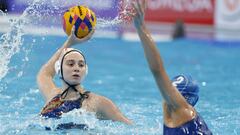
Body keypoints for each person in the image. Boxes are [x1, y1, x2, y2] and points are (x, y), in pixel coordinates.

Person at [129, 0, 212, 134]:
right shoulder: (175, 113)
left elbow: (158, 71)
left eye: (171, 92)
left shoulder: (182, 111)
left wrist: (141, 27)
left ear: (183, 99)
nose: (165, 96)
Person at [37, 26, 132, 129]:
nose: (77, 68)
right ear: (59, 68)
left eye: (81, 65)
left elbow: (130, 127)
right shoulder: (52, 94)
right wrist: (69, 42)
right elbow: (44, 73)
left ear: (85, 70)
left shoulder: (96, 102)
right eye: (70, 64)